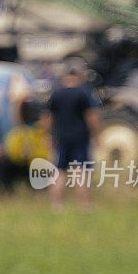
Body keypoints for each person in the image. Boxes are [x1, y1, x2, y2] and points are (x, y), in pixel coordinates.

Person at [43, 58, 102, 212]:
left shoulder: (56, 93)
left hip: (61, 137)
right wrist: (97, 135)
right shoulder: (84, 93)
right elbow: (91, 116)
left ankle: (57, 205)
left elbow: (48, 118)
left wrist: (47, 136)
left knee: (59, 171)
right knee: (81, 171)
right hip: (80, 138)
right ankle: (84, 205)